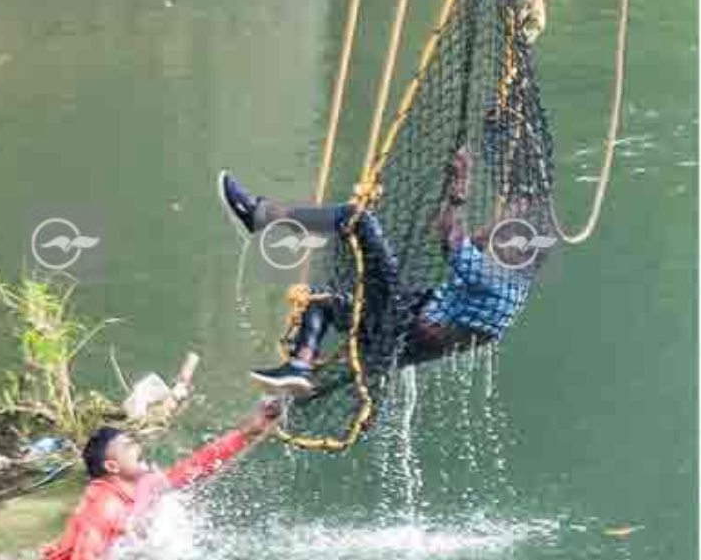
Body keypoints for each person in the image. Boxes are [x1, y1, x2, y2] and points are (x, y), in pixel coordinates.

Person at [219, 147, 540, 395]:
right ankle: (298, 368)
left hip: (400, 322)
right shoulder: (511, 287)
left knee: (357, 219)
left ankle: (260, 216)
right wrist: (511, 207)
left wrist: (460, 184)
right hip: (394, 346)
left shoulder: (492, 276)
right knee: (323, 305)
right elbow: (459, 236)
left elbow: (450, 236)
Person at [36, 398, 281, 560]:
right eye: (128, 446)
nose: (137, 446)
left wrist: (247, 432)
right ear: (112, 467)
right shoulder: (104, 508)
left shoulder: (145, 483)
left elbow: (193, 468)